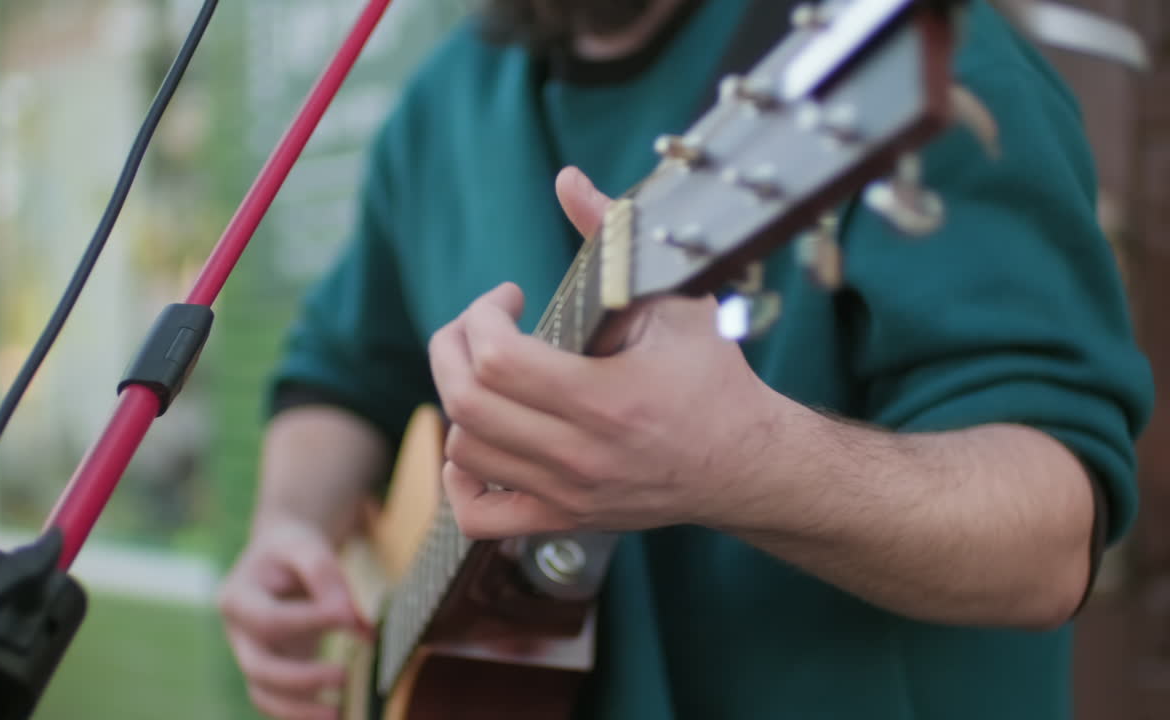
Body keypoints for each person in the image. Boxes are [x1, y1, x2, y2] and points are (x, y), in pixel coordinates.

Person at [217, 0, 1155, 718]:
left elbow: (1048, 542)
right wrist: (286, 530)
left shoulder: (892, 57)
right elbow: (339, 375)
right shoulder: (444, 104)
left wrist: (745, 465)